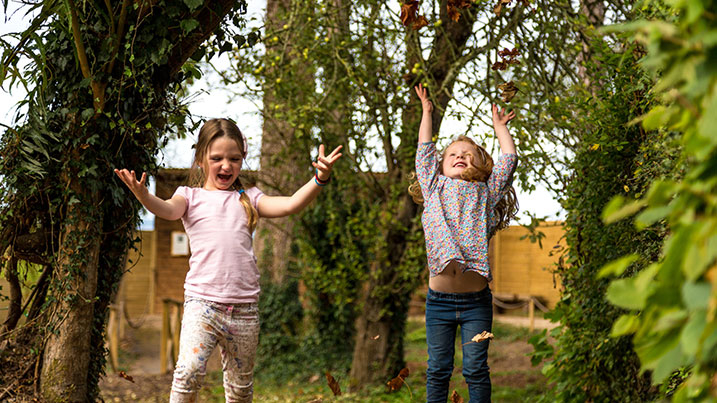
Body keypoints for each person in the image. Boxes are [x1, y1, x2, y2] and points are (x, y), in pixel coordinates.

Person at [114, 118, 342, 402]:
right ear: (200, 159)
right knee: (188, 372)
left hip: (245, 310)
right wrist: (143, 195)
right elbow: (166, 210)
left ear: (242, 159)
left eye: (234, 159)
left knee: (240, 388)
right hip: (202, 305)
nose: (226, 165)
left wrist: (319, 178)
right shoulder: (189, 197)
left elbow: (292, 204)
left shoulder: (250, 198)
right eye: (217, 158)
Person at [409, 85, 519, 402]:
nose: (460, 157)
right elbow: (424, 150)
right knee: (438, 370)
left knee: (475, 370)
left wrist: (500, 128)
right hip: (439, 304)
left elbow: (508, 160)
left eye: (468, 155)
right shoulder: (433, 187)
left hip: (476, 304)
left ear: (479, 166)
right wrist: (427, 112)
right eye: (453, 154)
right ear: (441, 166)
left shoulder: (486, 192)